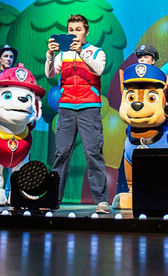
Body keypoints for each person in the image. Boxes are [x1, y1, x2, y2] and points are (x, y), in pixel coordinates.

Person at [45, 14, 110, 213]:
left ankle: (101, 201)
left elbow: (98, 70)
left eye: (78, 30)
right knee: (61, 153)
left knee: (93, 153)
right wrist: (50, 55)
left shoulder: (96, 52)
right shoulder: (62, 54)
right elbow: (49, 74)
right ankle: (53, 200)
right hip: (66, 108)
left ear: (86, 32)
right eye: (71, 30)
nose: (74, 33)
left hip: (89, 107)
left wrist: (81, 52)